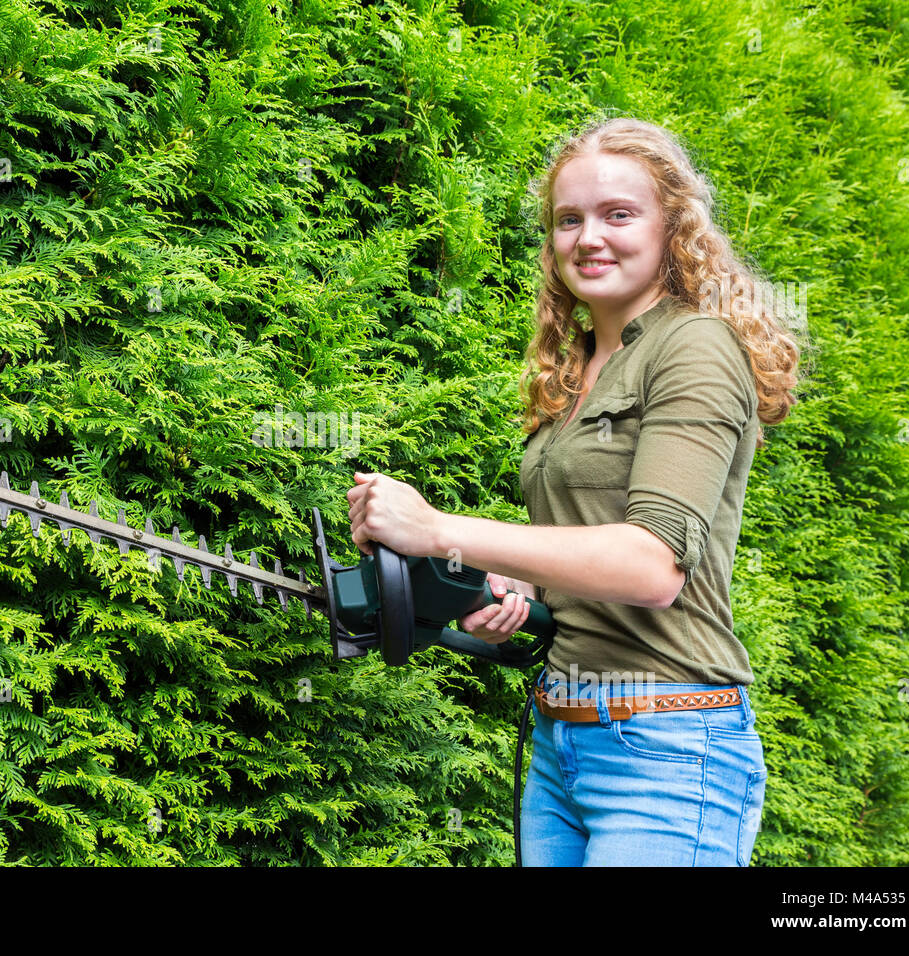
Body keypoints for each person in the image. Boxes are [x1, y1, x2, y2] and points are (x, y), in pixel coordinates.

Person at [346, 116, 803, 866]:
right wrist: (516, 585)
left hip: (666, 742)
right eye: (568, 219)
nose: (588, 237)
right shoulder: (579, 366)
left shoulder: (694, 346)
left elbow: (652, 566)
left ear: (672, 229)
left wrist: (436, 530)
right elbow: (588, 546)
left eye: (618, 214)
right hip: (563, 735)